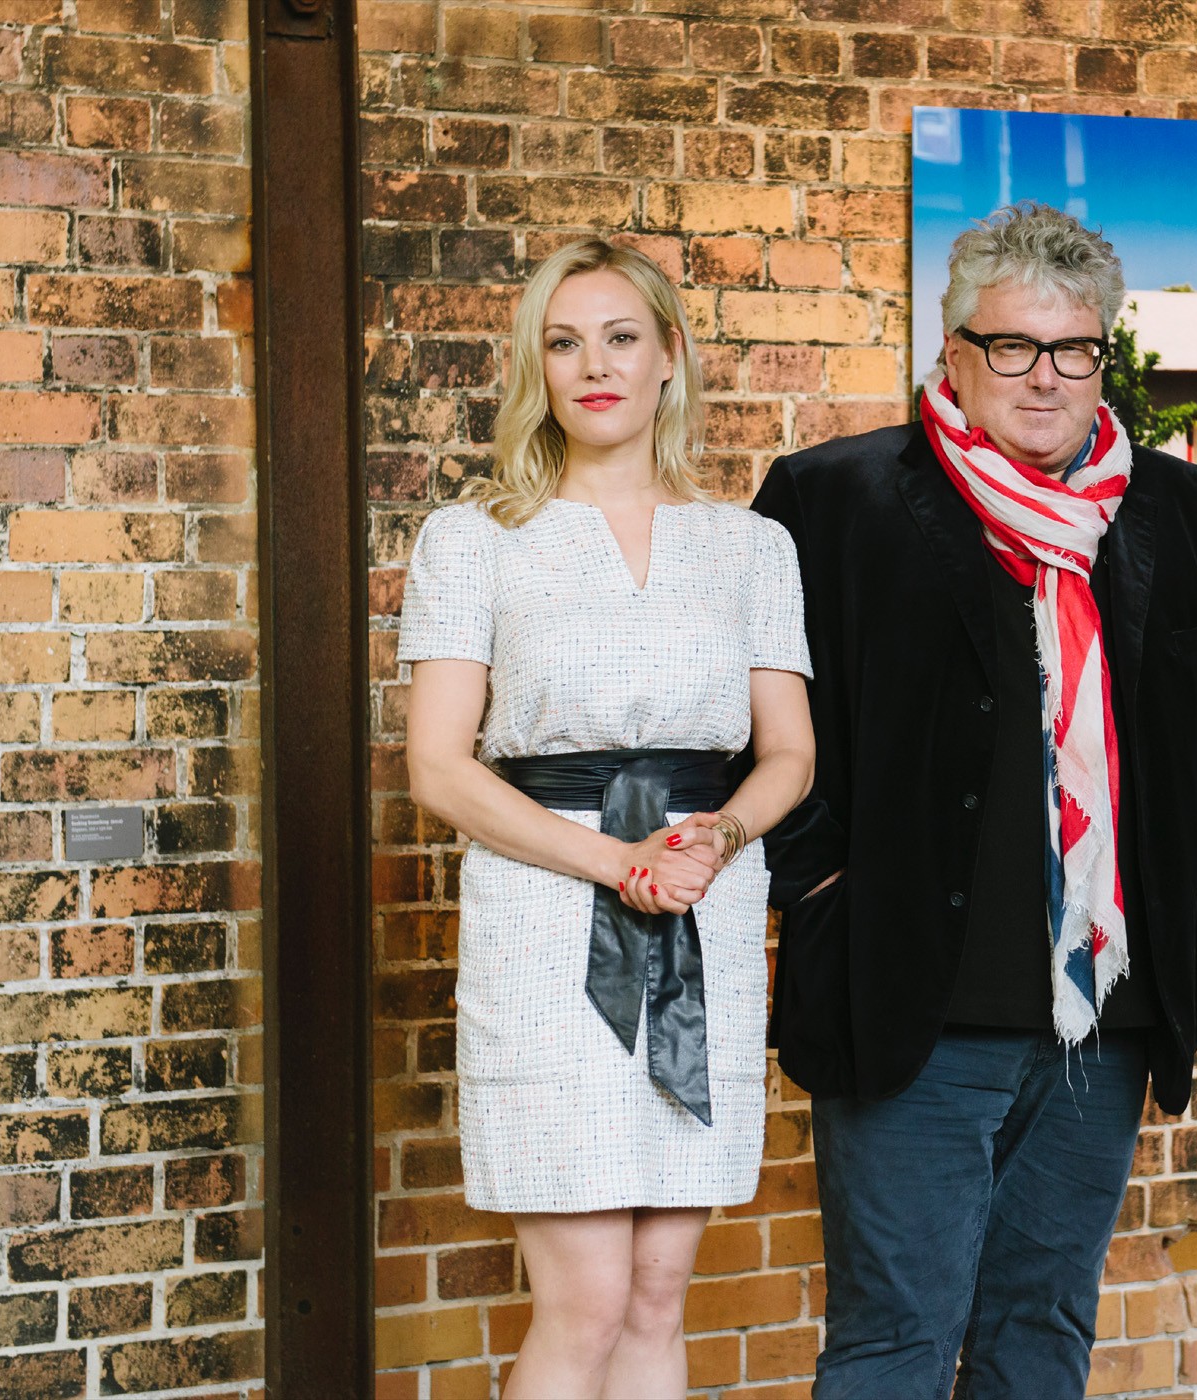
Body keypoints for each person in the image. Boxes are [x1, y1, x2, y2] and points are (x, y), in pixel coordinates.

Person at [751, 201, 1197, 1396]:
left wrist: (1194, 852)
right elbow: (752, 711)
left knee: (1041, 1331)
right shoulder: (835, 500)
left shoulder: (1178, 511)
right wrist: (825, 871)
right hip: (913, 1002)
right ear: (953, 353)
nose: (1044, 376)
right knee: (894, 1336)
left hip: (1107, 1007)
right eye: (1011, 347)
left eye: (1073, 348)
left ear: (1104, 358)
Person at [399, 238, 814, 1400]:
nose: (595, 365)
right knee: (580, 1303)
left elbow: (788, 752)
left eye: (621, 337)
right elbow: (439, 766)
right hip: (545, 914)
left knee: (654, 1296)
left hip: (699, 909)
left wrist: (717, 839)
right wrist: (613, 861)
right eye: (564, 340)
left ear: (669, 357)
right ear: (538, 366)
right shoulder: (473, 538)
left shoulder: (751, 546)